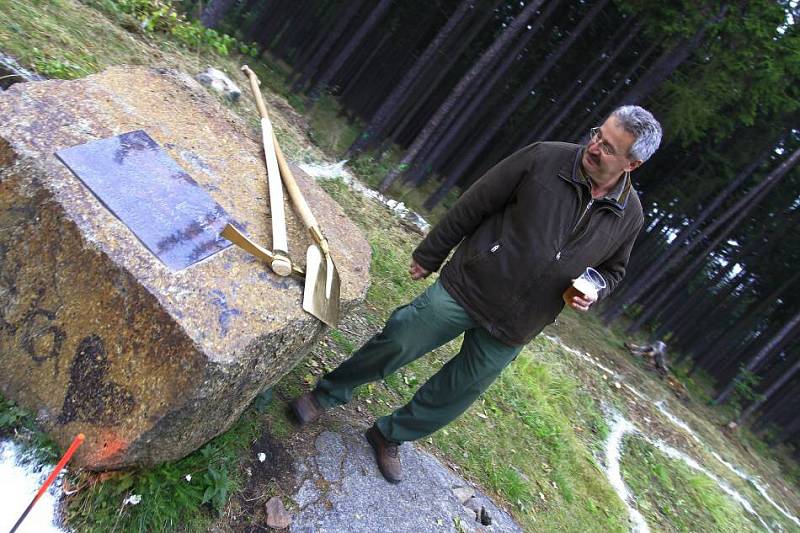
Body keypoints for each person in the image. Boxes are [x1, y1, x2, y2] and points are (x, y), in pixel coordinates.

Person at [290, 105, 662, 483]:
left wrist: (595, 291)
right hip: (471, 283)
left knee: (456, 393)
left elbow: (612, 272)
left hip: (519, 322)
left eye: (610, 147)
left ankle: (389, 435)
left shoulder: (630, 215)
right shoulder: (545, 158)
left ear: (631, 164)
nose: (595, 146)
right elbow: (478, 200)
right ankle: (326, 394)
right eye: (598, 133)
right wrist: (431, 252)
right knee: (401, 338)